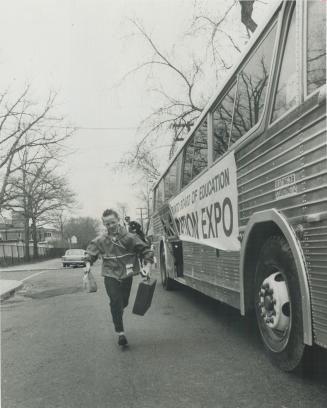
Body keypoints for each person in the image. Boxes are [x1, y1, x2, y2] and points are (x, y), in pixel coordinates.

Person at [85, 208, 154, 347]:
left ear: (118, 221)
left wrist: (148, 263)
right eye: (107, 224)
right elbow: (91, 252)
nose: (110, 226)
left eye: (112, 222)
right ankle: (120, 333)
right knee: (115, 301)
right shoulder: (101, 240)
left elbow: (144, 250)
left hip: (126, 274)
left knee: (124, 302)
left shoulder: (129, 237)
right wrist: (87, 264)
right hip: (110, 274)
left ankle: (118, 311)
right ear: (104, 225)